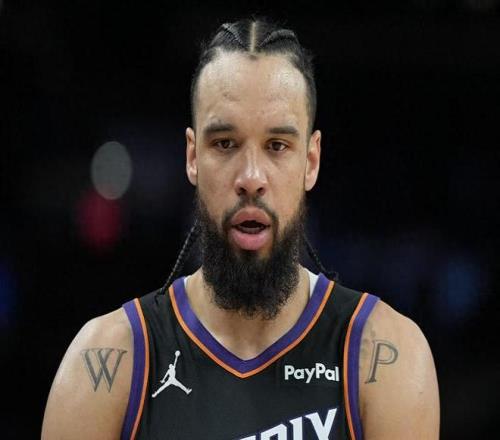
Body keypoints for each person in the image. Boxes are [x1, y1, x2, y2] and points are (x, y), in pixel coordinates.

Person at [42, 17, 440, 439]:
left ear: (311, 162)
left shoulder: (384, 358)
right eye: (225, 144)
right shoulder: (107, 363)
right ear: (193, 157)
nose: (251, 177)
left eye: (277, 146)